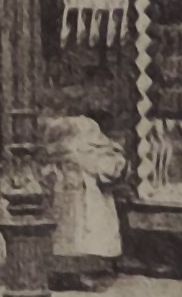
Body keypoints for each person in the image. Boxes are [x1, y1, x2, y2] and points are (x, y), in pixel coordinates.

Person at [44, 113, 128, 291]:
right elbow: (108, 168)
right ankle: (75, 272)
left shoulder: (79, 150)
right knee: (79, 231)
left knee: (80, 231)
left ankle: (80, 271)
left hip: (79, 193)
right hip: (78, 195)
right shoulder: (84, 152)